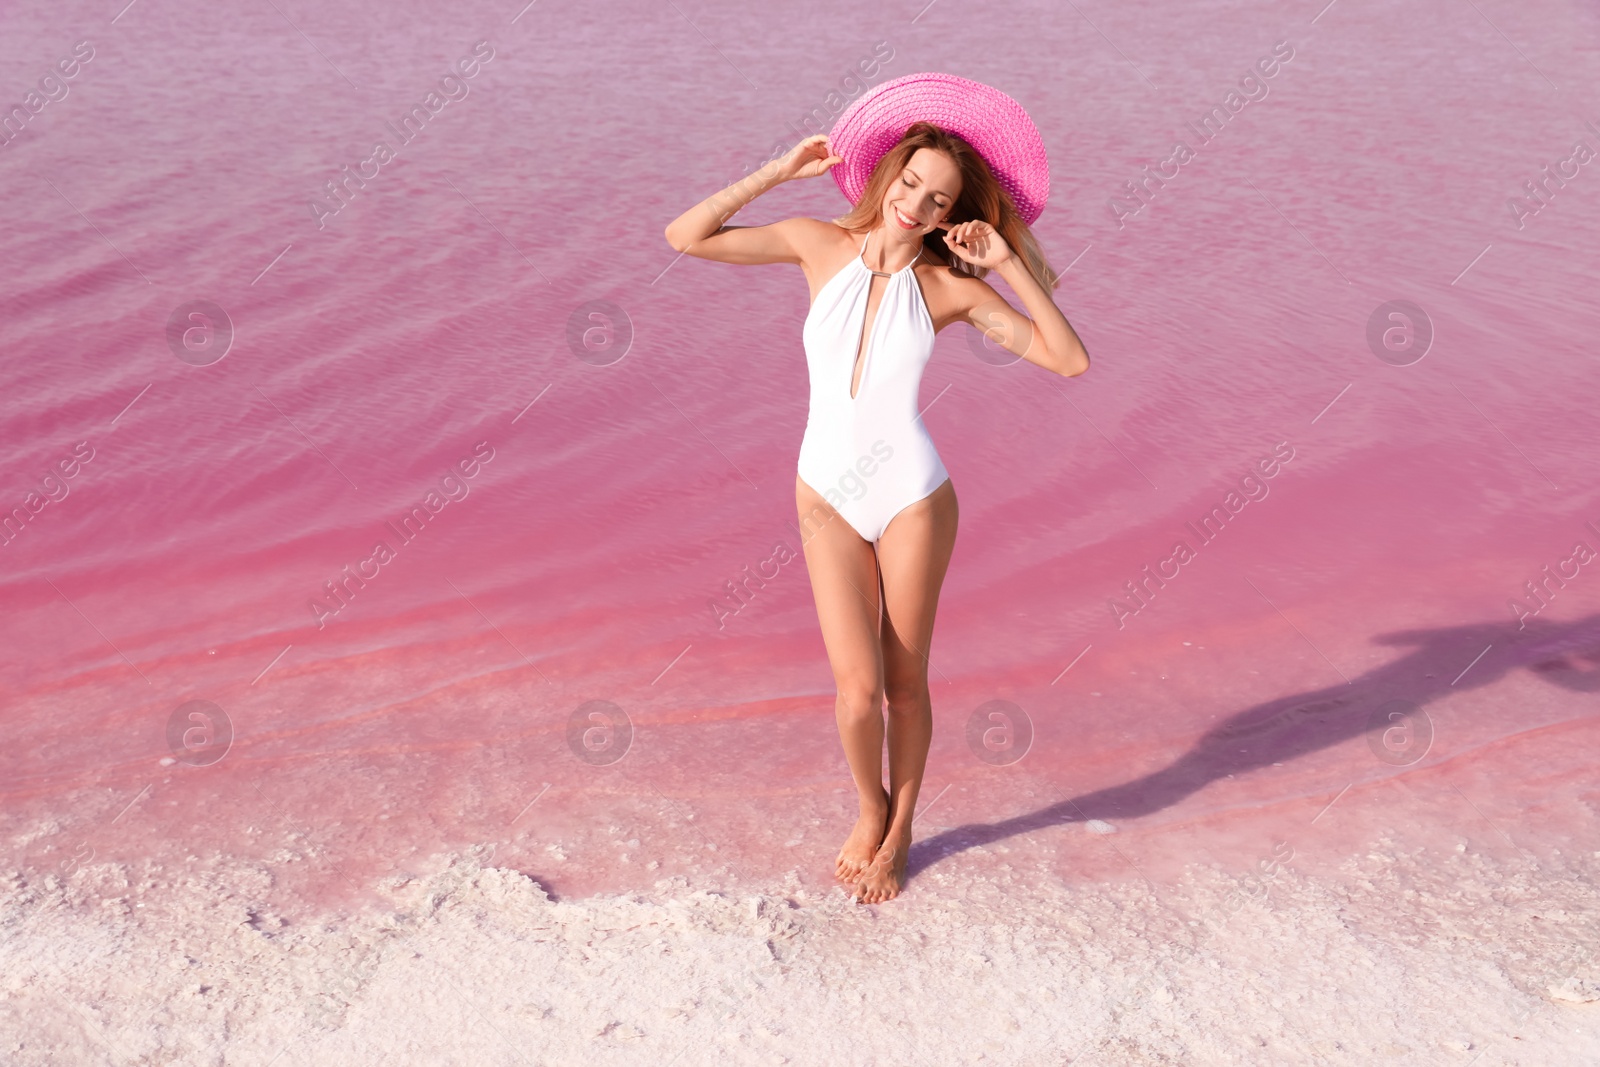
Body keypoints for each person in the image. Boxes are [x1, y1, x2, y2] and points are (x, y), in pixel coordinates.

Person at [664, 74, 1089, 903]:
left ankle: (899, 831)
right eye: (911, 183)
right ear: (888, 173)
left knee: (904, 683)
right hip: (823, 488)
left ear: (949, 217)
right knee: (856, 694)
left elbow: (1068, 359)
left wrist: (1005, 264)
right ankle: (869, 804)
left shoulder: (950, 290)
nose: (917, 205)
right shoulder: (814, 243)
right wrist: (777, 172)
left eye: (938, 201)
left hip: (912, 498)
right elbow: (686, 235)